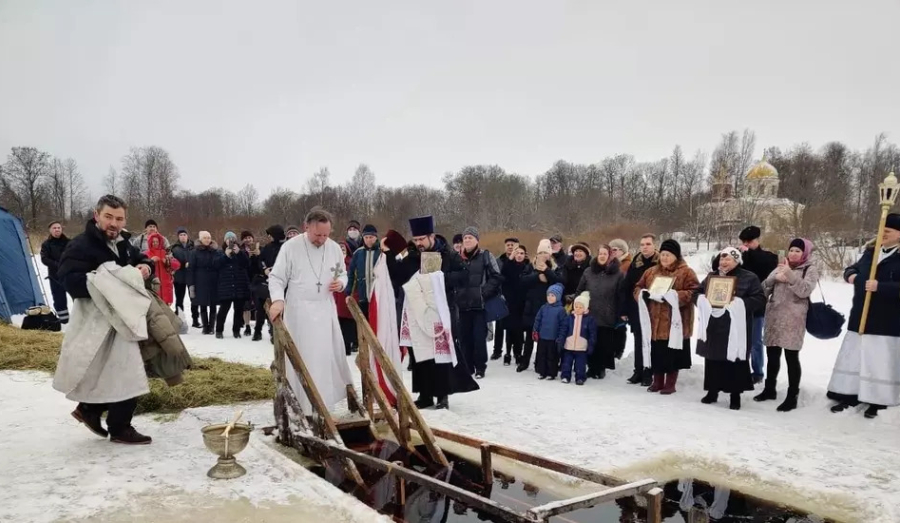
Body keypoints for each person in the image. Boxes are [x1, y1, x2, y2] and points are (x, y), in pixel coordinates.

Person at [53, 195, 154, 444]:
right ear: (96, 215)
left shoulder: (123, 243)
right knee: (126, 372)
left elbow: (139, 260)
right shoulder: (81, 245)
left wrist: (145, 268)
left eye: (119, 218)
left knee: (114, 371)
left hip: (123, 319)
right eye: (108, 216)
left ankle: (90, 409)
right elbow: (69, 281)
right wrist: (108, 280)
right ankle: (119, 427)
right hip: (97, 322)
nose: (114, 223)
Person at [385, 215, 477, 409]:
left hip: (442, 311)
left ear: (431, 236)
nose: (418, 243)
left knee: (440, 354)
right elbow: (400, 276)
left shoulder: (447, 253)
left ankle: (442, 395)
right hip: (418, 312)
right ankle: (425, 394)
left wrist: (440, 278)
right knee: (420, 354)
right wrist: (387, 255)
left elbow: (464, 276)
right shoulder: (412, 254)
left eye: (421, 240)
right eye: (416, 240)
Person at [268, 208, 353, 414]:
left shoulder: (333, 248)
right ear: (307, 227)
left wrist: (341, 284)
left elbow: (343, 273)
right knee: (302, 356)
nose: (322, 239)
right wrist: (278, 300)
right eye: (317, 235)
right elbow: (277, 277)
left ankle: (323, 403)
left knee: (324, 356)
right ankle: (299, 403)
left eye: (326, 234)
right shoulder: (291, 247)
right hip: (299, 311)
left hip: (325, 309)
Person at [827, 213, 900, 419]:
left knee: (878, 361)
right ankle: (850, 393)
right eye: (881, 231)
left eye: (888, 231)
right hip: (861, 316)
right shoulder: (872, 252)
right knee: (856, 358)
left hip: (886, 320)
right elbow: (854, 268)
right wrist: (851, 275)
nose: (883, 234)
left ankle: (879, 399)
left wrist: (881, 287)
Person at [695, 248, 767, 410]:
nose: (724, 262)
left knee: (735, 360)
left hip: (736, 326)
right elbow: (698, 292)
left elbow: (760, 298)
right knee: (712, 358)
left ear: (737, 261)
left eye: (728, 259)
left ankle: (735, 395)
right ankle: (712, 391)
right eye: (722, 259)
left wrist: (739, 303)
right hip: (714, 324)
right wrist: (701, 300)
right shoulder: (712, 277)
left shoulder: (749, 277)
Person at [755, 238, 818, 411]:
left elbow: (804, 290)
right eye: (791, 250)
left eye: (798, 251)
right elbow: (762, 289)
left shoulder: (809, 269)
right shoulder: (780, 266)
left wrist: (789, 275)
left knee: (791, 357)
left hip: (794, 318)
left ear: (805, 253)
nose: (793, 253)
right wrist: (774, 279)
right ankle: (769, 389)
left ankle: (792, 396)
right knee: (772, 355)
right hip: (774, 316)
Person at [634, 239, 698, 395]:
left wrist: (675, 296)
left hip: (675, 320)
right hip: (654, 319)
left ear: (676, 256)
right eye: (662, 254)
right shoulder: (651, 272)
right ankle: (657, 381)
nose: (664, 258)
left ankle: (670, 383)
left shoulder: (686, 272)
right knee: (656, 352)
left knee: (672, 353)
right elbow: (638, 287)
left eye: (668, 255)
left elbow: (694, 291)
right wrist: (643, 294)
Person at [456, 227, 502, 379]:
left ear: (477, 240)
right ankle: (467, 367)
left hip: (479, 305)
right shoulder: (457, 258)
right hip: (462, 305)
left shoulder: (486, 255)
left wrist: (484, 293)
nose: (467, 240)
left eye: (470, 237)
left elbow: (496, 277)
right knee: (464, 338)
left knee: (478, 338)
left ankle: (480, 367)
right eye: (465, 238)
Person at [576, 244, 627, 379]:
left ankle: (601, 368)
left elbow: (621, 295)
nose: (602, 256)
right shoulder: (588, 271)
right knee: (590, 341)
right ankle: (591, 367)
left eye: (605, 254)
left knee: (604, 343)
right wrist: (579, 303)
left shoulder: (618, 274)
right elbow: (580, 290)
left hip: (608, 313)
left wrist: (621, 312)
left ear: (610, 256)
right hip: (590, 312)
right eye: (600, 253)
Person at [738, 225, 779, 384]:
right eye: (744, 241)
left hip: (757, 307)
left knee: (755, 341)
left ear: (757, 240)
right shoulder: (740, 256)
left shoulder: (768, 256)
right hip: (739, 305)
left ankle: (758, 371)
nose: (746, 244)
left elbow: (764, 269)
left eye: (749, 241)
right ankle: (741, 368)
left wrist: (750, 255)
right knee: (740, 340)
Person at [518, 239, 562, 372]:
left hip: (548, 308)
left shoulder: (554, 268)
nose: (543, 255)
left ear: (550, 254)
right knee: (530, 337)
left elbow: (560, 282)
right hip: (531, 306)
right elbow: (522, 281)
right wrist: (537, 276)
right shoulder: (530, 266)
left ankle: (541, 363)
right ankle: (524, 361)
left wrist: (547, 271)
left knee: (545, 338)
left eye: (546, 252)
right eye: (541, 252)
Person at [624, 234, 659, 386]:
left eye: (648, 244)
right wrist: (624, 309)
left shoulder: (660, 262)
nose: (645, 247)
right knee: (639, 340)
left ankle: (649, 372)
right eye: (642, 244)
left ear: (654, 245)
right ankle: (638, 370)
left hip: (655, 308)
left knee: (652, 341)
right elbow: (627, 286)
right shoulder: (635, 263)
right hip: (637, 307)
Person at [252, 225, 287, 342]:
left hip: (281, 282)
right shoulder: (268, 247)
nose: (269, 237)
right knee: (261, 308)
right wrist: (265, 269)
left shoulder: (285, 247)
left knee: (276, 308)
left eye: (270, 235)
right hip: (265, 280)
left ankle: (275, 332)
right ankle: (258, 331)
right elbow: (261, 260)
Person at [214, 231, 251, 339]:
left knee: (238, 310)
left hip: (239, 285)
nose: (230, 241)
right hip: (226, 286)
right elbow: (216, 265)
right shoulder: (220, 252)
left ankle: (236, 330)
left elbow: (247, 264)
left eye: (232, 239)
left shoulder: (241, 251)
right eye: (228, 239)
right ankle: (219, 330)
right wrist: (226, 255)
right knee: (223, 310)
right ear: (225, 240)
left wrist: (239, 253)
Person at [559, 291, 597, 385]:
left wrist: (591, 345)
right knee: (566, 363)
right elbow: (563, 330)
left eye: (581, 307)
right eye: (576, 306)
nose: (578, 309)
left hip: (582, 347)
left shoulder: (589, 319)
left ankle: (580, 377)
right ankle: (565, 376)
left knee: (580, 364)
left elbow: (592, 333)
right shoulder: (569, 318)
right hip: (569, 345)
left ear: (585, 308)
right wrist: (561, 340)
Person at [490, 237, 519, 361]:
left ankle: (513, 351)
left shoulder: (520, 258)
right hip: (500, 295)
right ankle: (497, 350)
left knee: (513, 326)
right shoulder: (498, 260)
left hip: (515, 296)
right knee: (500, 325)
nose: (510, 247)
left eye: (512, 245)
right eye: (508, 245)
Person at [501, 245, 529, 366]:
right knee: (509, 330)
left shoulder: (527, 267)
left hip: (521, 303)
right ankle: (507, 353)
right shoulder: (508, 265)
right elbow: (503, 273)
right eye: (517, 253)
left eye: (522, 253)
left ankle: (518, 353)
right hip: (509, 302)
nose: (519, 255)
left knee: (518, 331)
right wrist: (510, 259)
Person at [532, 283, 567, 380]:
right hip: (543, 337)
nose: (550, 297)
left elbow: (563, 325)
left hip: (553, 338)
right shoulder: (543, 308)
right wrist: (535, 331)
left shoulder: (561, 310)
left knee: (552, 356)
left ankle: (551, 373)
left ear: (558, 297)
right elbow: (537, 320)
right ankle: (542, 372)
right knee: (541, 355)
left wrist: (560, 337)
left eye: (553, 295)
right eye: (548, 295)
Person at [346, 224, 381, 319]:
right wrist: (349, 293)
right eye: (366, 237)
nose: (369, 240)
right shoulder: (358, 253)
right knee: (364, 324)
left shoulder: (382, 252)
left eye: (371, 237)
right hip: (363, 296)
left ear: (376, 237)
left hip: (378, 296)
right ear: (363, 238)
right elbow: (351, 274)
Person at [40, 221, 70, 324]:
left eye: (58, 228)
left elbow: (75, 256)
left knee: (78, 298)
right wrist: (58, 265)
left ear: (62, 229)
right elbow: (44, 259)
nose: (57, 229)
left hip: (69, 274)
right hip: (55, 276)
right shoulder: (46, 244)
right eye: (54, 228)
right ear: (50, 230)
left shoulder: (69, 242)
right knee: (59, 298)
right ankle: (64, 320)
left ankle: (80, 319)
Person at [189, 231, 219, 335]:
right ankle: (205, 327)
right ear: (201, 239)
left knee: (213, 304)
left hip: (213, 280)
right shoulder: (194, 252)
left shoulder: (215, 251)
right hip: (200, 281)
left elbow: (219, 266)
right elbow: (191, 269)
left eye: (209, 237)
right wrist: (191, 284)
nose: (207, 240)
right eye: (205, 238)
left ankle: (211, 327)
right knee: (202, 304)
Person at [171, 227, 198, 327]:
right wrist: (181, 265)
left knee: (194, 299)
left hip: (191, 277)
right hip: (179, 278)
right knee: (179, 300)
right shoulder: (174, 248)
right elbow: (172, 262)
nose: (183, 236)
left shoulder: (193, 247)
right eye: (181, 235)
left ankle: (195, 319)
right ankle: (180, 320)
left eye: (184, 234)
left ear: (187, 236)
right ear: (178, 237)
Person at [609, 239, 632, 360]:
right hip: (610, 300)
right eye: (611, 250)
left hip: (621, 300)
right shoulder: (611, 263)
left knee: (620, 327)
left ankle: (618, 352)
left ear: (622, 251)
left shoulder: (627, 264)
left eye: (615, 250)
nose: (612, 252)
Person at [143, 232, 180, 305]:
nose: (155, 243)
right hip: (152, 286)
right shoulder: (145, 254)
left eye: (157, 241)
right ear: (150, 242)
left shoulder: (166, 253)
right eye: (153, 242)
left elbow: (177, 265)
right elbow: (140, 267)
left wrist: (167, 261)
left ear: (160, 242)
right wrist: (151, 261)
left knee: (166, 312)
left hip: (166, 287)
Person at [335, 242, 355, 355]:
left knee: (347, 323)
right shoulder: (332, 262)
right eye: (340, 248)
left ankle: (347, 346)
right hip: (334, 297)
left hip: (346, 296)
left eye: (344, 249)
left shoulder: (350, 263)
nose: (342, 251)